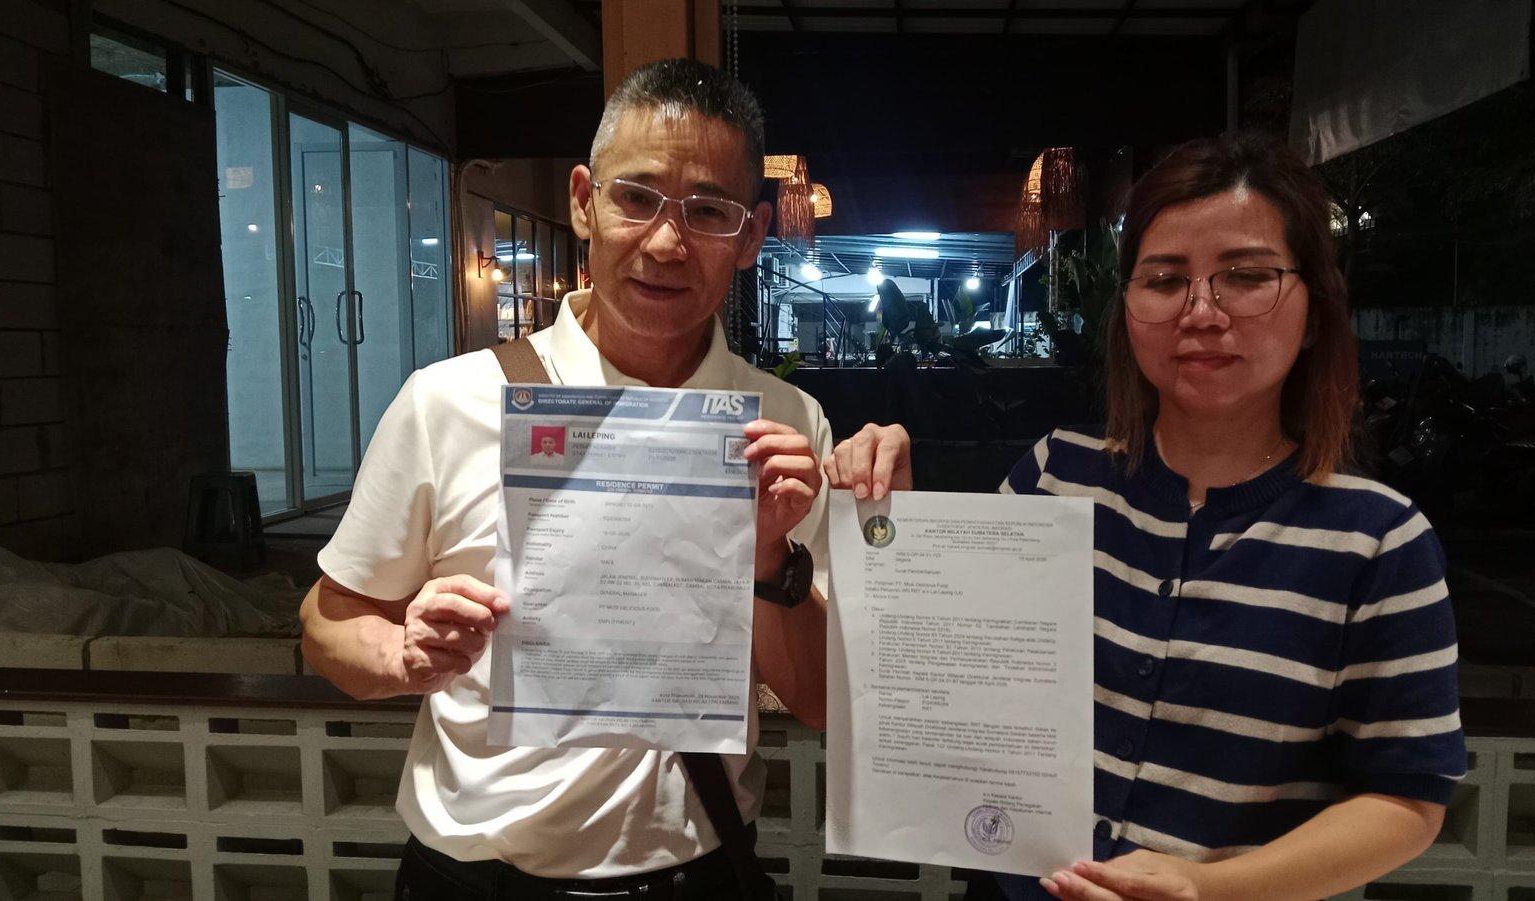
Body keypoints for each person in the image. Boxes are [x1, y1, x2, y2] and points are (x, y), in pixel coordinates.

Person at [827, 133, 1466, 901]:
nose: (1202, 311)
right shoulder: (1055, 475)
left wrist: (1210, 886)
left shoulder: (1378, 540)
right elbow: (946, 683)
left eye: (1247, 276)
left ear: (1313, 309)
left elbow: (1405, 800)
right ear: (1128, 310)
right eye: (1165, 279)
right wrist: (889, 534)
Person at [300, 59, 833, 900]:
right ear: (584, 200)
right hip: (476, 879)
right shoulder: (449, 401)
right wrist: (400, 655)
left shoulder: (785, 424)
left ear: (752, 234)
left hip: (696, 872)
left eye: (708, 211)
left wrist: (771, 559)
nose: (667, 242)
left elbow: (817, 700)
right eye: (637, 197)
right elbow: (326, 622)